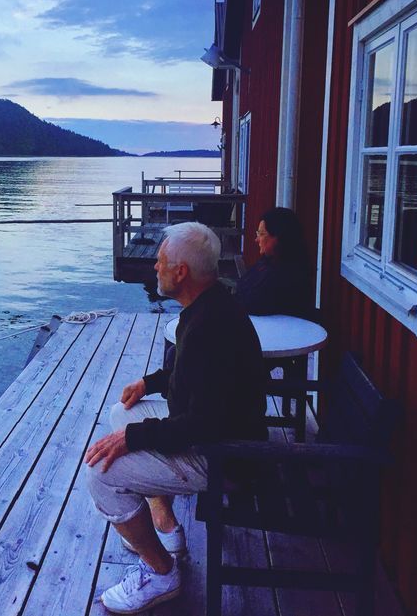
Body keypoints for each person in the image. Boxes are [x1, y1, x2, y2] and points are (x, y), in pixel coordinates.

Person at [84, 221, 266, 613]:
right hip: (216, 433)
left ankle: (162, 573)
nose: (155, 268)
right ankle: (166, 527)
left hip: (224, 456)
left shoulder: (210, 327)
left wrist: (134, 439)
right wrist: (148, 384)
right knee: (123, 411)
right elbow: (192, 375)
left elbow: (201, 426)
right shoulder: (208, 307)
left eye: (161, 261)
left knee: (102, 476)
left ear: (181, 272)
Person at [236, 206, 312, 318]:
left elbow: (252, 302)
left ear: (278, 237)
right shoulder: (268, 262)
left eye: (261, 234)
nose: (257, 239)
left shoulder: (289, 275)